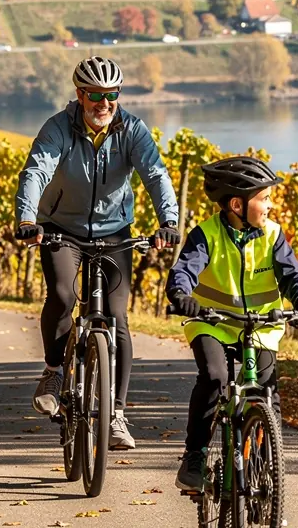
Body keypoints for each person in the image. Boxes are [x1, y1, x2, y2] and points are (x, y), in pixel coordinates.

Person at [14, 56, 179, 449]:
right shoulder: (58, 128)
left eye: (111, 95)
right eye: (94, 96)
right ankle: (54, 370)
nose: (103, 104)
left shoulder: (132, 130)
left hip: (114, 232)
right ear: (79, 95)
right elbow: (36, 170)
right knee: (63, 295)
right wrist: (26, 220)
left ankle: (117, 414)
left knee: (117, 317)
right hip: (61, 230)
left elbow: (155, 173)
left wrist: (168, 222)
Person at [166, 155, 298, 492]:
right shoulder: (205, 234)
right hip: (212, 322)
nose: (270, 205)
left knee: (267, 393)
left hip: (261, 326)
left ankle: (266, 467)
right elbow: (185, 269)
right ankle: (194, 456)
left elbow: (292, 275)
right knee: (214, 377)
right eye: (264, 199)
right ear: (237, 204)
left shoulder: (272, 235)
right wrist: (181, 293)